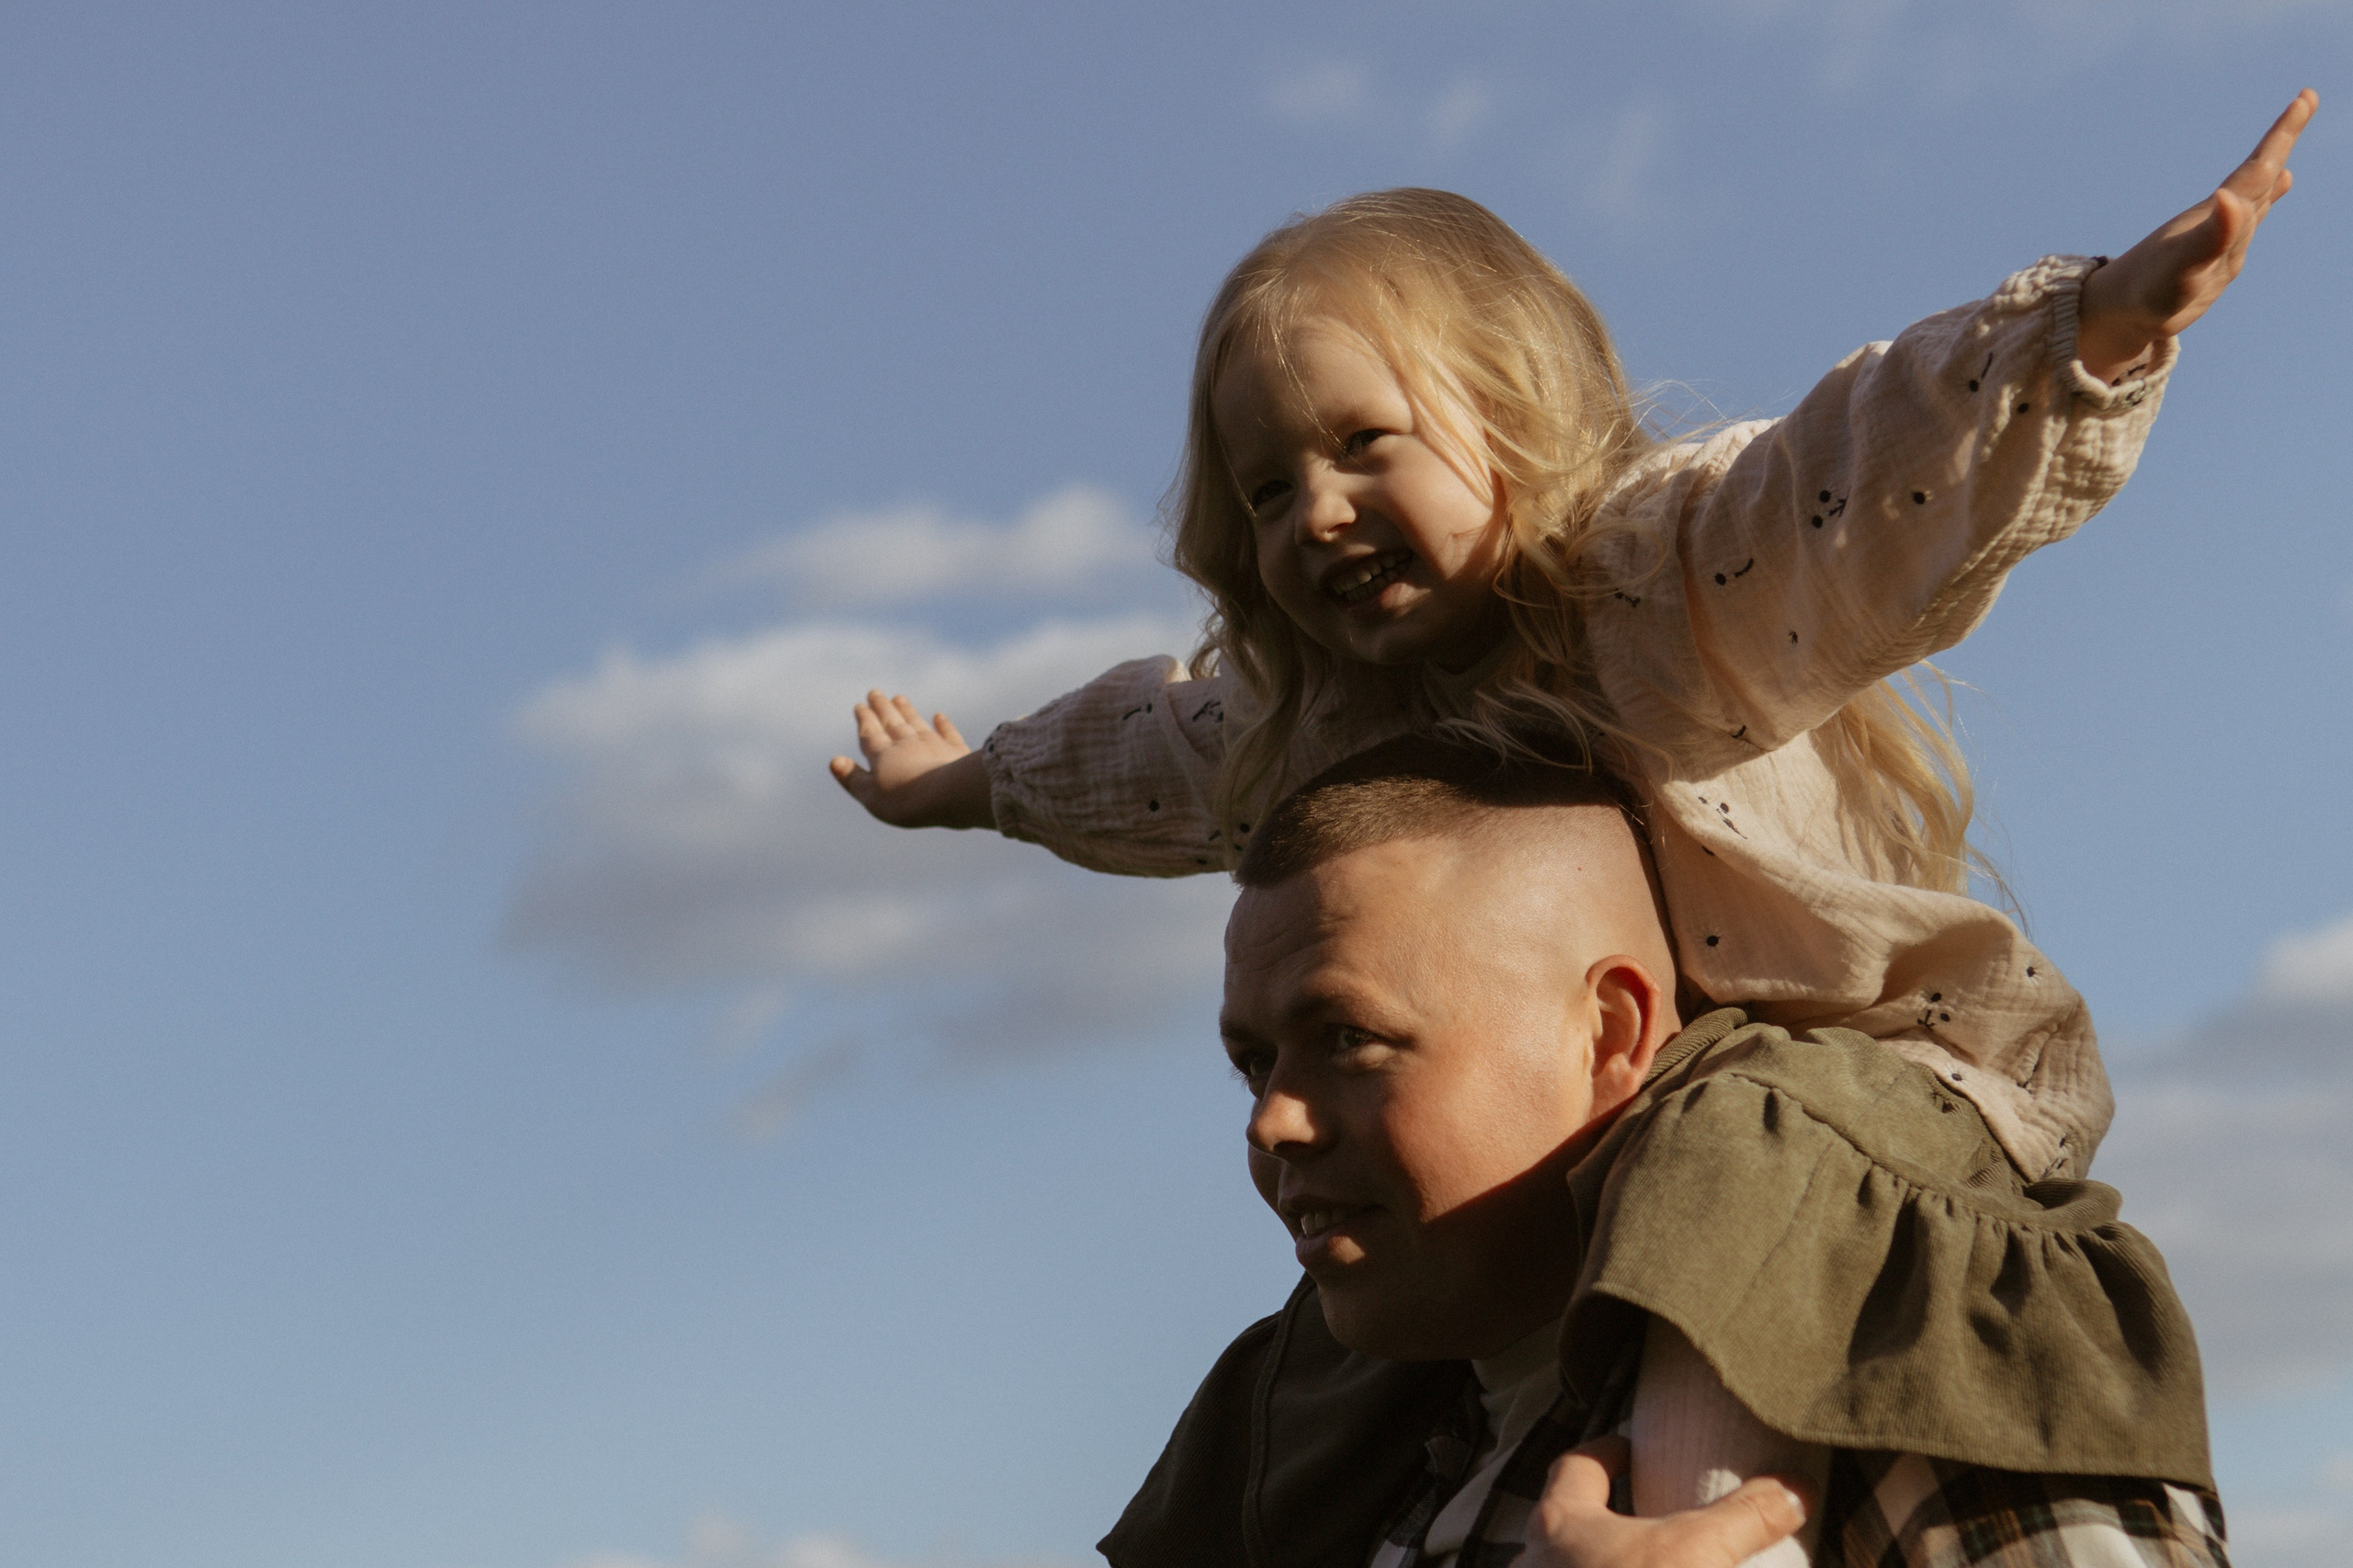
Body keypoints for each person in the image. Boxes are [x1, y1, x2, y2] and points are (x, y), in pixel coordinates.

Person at [830, 90, 2314, 1196]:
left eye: (1365, 446)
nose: (1319, 513)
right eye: (1271, 487)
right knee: (1290, 1398)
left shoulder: (1659, 590)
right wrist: (965, 784)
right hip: (1558, 1141)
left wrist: (2085, 339)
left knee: (1711, 1171)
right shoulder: (1328, 713)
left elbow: (1839, 492)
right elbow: (1150, 749)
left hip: (1842, 1079)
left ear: (1520, 420)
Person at [1097, 733, 2222, 1567]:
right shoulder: (1366, 1475)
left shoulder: (1884, 1357)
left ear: (1615, 1030)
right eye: (1253, 1062)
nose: (1271, 1121)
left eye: (1349, 1038)